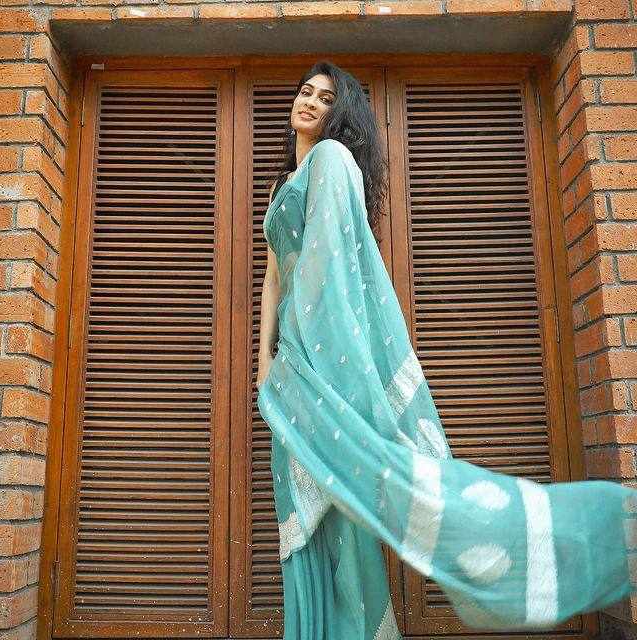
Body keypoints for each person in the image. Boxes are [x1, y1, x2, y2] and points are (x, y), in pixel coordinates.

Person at [256, 60, 637, 640]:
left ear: (341, 115)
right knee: (307, 514)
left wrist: (319, 364)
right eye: (305, 92)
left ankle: (585, 535)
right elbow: (275, 279)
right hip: (292, 369)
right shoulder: (282, 184)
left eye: (326, 98)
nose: (309, 102)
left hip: (321, 365)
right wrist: (265, 363)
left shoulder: (332, 161)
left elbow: (327, 272)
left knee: (346, 506)